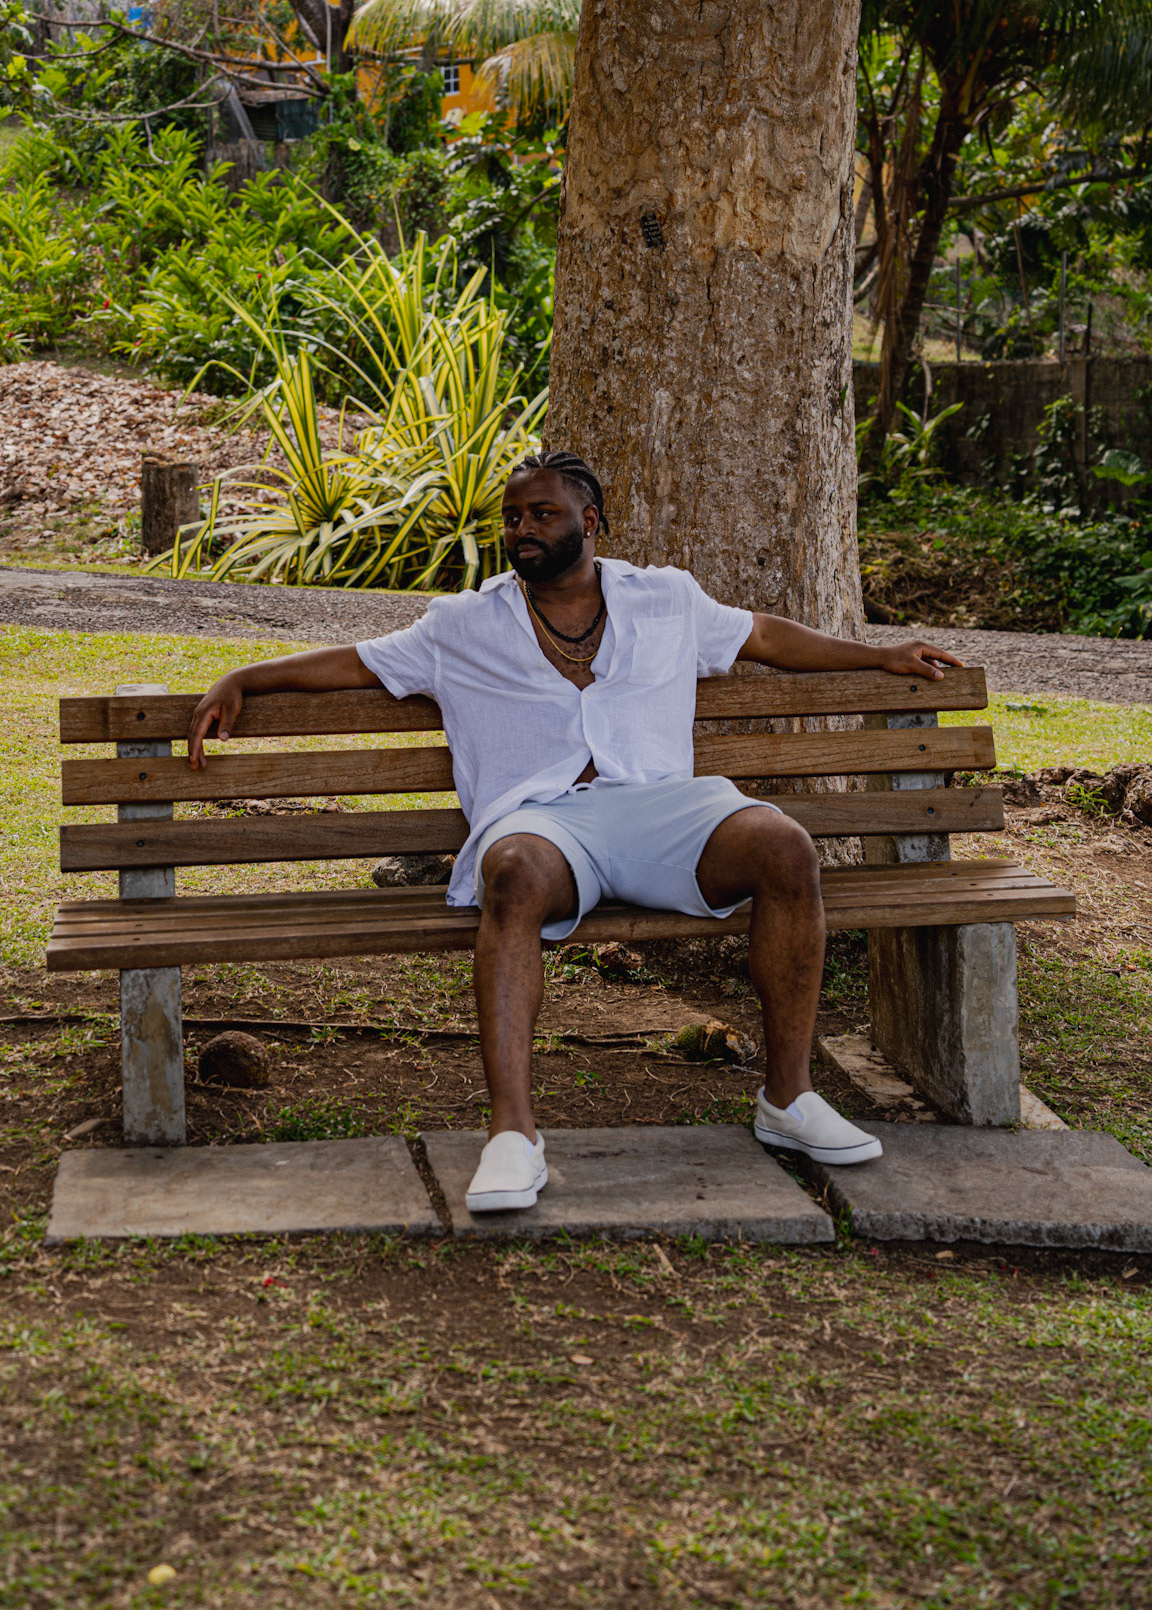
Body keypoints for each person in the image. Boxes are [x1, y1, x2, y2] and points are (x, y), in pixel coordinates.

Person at [189, 450, 961, 1214]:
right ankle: (512, 1137)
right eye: (511, 518)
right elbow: (355, 664)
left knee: (784, 846)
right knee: (513, 872)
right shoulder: (463, 624)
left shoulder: (666, 599)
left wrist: (878, 655)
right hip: (544, 822)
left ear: (590, 522)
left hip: (662, 808)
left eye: (541, 514)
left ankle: (788, 1099)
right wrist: (243, 677)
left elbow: (762, 635)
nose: (522, 529)